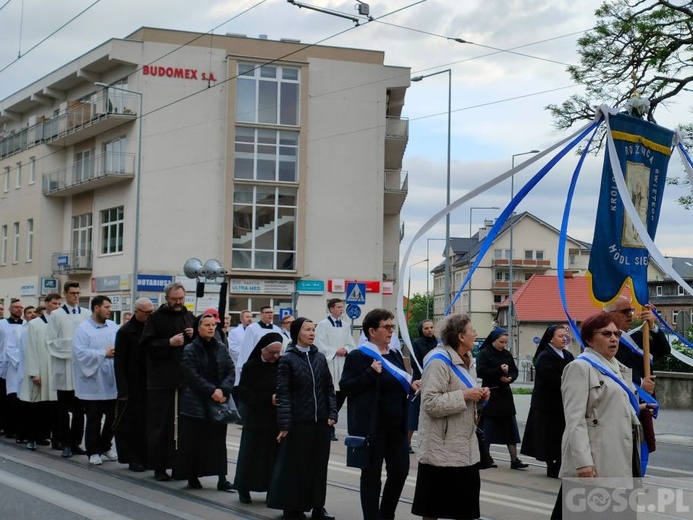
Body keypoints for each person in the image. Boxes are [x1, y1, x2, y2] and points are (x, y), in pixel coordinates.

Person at [552, 312, 645, 519]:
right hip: (596, 458)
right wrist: (583, 462)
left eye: (617, 334)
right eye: (606, 334)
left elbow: (613, 404)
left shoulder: (617, 367)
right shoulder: (580, 367)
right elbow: (574, 419)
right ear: (589, 339)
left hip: (621, 454)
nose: (614, 338)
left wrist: (639, 408)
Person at [340, 308, 421, 520]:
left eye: (392, 327)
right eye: (386, 327)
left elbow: (398, 382)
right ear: (372, 331)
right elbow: (346, 386)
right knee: (371, 476)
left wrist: (413, 384)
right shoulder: (359, 356)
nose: (391, 331)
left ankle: (386, 515)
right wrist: (369, 373)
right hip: (372, 427)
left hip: (396, 427)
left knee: (400, 472)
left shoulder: (394, 354)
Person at [412, 313, 489, 520]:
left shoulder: (467, 360)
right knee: (432, 510)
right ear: (461, 336)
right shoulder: (438, 361)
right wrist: (465, 395)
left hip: (465, 449)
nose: (476, 334)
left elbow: (467, 400)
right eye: (472, 330)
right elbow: (430, 403)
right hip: (440, 449)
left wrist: (480, 398)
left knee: (466, 510)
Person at [267, 318, 337, 520]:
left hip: (321, 422)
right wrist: (285, 424)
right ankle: (293, 507)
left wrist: (332, 413)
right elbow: (283, 393)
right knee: (297, 466)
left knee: (318, 466)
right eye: (307, 329)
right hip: (299, 422)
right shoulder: (287, 359)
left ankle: (317, 507)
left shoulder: (320, 357)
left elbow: (328, 388)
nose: (312, 333)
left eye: (313, 329)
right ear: (297, 332)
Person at [139, 282, 195, 481]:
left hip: (184, 380)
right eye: (174, 299)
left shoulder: (188, 317)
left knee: (182, 427)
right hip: (162, 380)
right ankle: (159, 466)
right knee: (161, 426)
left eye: (181, 298)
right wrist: (168, 343)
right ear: (167, 299)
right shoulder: (155, 318)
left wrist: (193, 335)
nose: (178, 302)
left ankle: (179, 465)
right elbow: (145, 345)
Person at [174, 314, 235, 491]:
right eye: (207, 325)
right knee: (194, 442)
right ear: (198, 328)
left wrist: (223, 390)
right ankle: (193, 477)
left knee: (217, 442)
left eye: (213, 325)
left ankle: (222, 478)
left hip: (218, 401)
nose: (211, 328)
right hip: (196, 402)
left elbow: (231, 371)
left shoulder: (221, 347)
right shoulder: (190, 349)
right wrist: (211, 391)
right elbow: (191, 375)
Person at [233, 332, 282, 504]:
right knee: (250, 456)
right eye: (271, 352)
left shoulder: (281, 364)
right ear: (262, 350)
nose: (275, 356)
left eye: (278, 352)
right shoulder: (251, 366)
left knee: (272, 458)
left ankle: (272, 489)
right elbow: (244, 393)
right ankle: (244, 488)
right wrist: (268, 399)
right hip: (256, 419)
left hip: (276, 420)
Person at [520, 324, 575, 478]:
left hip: (563, 403)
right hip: (547, 404)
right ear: (551, 339)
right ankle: (552, 465)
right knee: (548, 436)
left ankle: (560, 462)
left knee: (560, 435)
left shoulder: (568, 356)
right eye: (560, 336)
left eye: (565, 336)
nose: (564, 339)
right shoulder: (544, 356)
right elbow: (552, 380)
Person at [72, 296, 119, 466]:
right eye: (106, 307)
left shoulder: (113, 327)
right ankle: (93, 451)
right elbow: (79, 354)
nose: (109, 310)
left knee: (114, 417)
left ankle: (105, 445)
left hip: (111, 381)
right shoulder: (83, 330)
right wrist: (102, 354)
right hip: (92, 381)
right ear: (97, 308)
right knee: (94, 418)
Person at [46, 281, 90, 458]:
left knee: (80, 409)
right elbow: (50, 340)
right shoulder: (56, 315)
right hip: (64, 366)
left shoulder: (86, 314)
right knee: (63, 408)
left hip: (80, 368)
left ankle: (76, 442)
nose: (76, 296)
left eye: (78, 293)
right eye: (72, 293)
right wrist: (71, 348)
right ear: (65, 294)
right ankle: (64, 442)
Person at [475, 328, 528, 470]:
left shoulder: (506, 354)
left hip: (505, 395)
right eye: (501, 342)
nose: (503, 345)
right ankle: (485, 458)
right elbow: (480, 372)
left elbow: (514, 370)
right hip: (490, 395)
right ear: (493, 340)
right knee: (488, 430)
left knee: (510, 429)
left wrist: (511, 377)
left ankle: (514, 459)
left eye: (505, 342)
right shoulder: (484, 354)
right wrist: (499, 372)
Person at [114, 297, 154, 472]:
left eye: (152, 312)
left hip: (151, 383)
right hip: (132, 384)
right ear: (137, 312)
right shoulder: (125, 332)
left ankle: (147, 457)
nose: (150, 315)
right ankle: (133, 458)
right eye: (147, 313)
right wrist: (122, 389)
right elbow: (120, 362)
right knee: (132, 424)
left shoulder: (153, 328)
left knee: (148, 423)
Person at [20, 293, 62, 451]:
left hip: (57, 370)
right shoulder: (35, 324)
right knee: (37, 407)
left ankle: (57, 439)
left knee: (57, 408)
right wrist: (34, 373)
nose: (57, 307)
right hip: (41, 370)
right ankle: (32, 437)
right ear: (46, 304)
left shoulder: (61, 322)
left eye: (59, 304)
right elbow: (30, 349)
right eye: (54, 303)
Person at [606, 295, 670, 395]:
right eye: (625, 312)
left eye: (631, 310)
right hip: (625, 398)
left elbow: (664, 350)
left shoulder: (638, 337)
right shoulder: (605, 341)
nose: (630, 315)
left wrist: (652, 327)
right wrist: (640, 383)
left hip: (647, 399)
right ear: (610, 315)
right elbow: (612, 371)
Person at [314, 298, 355, 441]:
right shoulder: (322, 325)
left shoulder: (345, 326)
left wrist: (346, 349)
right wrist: (334, 351)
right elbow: (319, 344)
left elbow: (351, 343)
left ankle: (331, 423)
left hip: (342, 364)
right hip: (330, 364)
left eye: (342, 307)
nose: (341, 310)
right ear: (331, 309)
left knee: (340, 396)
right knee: (329, 396)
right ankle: (328, 428)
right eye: (338, 307)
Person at [408, 319, 437, 453]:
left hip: (436, 380)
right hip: (419, 381)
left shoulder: (438, 343)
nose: (430, 330)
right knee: (413, 414)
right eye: (426, 328)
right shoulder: (416, 343)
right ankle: (406, 443)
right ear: (421, 330)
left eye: (431, 327)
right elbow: (414, 362)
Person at [236, 306, 281, 386]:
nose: (270, 315)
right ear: (261, 314)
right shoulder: (252, 328)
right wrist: (244, 366)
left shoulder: (277, 329)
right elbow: (246, 348)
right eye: (267, 313)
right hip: (257, 364)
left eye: (271, 313)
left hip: (272, 364)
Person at [3, 301, 28, 442]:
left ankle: (19, 430)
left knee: (20, 401)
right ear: (10, 309)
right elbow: (9, 347)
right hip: (12, 365)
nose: (19, 309)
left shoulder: (25, 326)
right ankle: (9, 429)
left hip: (24, 368)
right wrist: (19, 362)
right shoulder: (2, 324)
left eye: (21, 307)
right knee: (10, 400)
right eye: (16, 307)